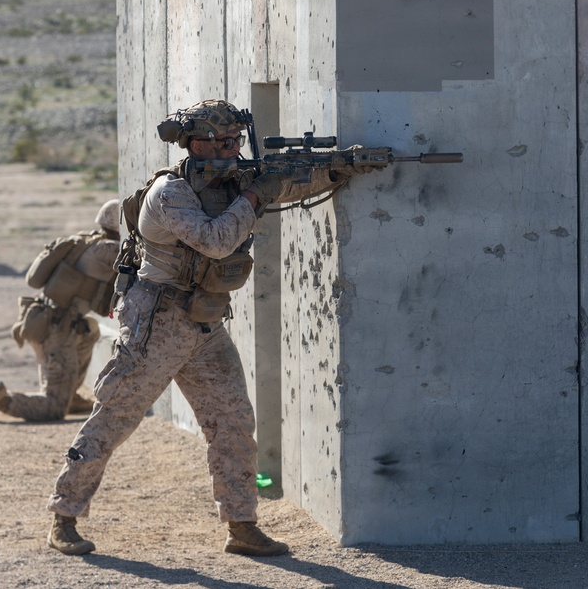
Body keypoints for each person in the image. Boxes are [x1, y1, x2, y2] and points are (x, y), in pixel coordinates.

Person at [44, 99, 369, 557]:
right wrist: (256, 195)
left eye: (237, 141)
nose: (236, 150)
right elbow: (216, 242)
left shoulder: (230, 180)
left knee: (233, 422)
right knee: (115, 417)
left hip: (205, 323)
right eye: (227, 142)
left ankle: (242, 525)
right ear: (198, 144)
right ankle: (65, 514)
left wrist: (338, 170)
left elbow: (288, 187)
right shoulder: (170, 192)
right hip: (157, 322)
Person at [0, 200, 121, 422]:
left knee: (90, 330)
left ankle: (70, 394)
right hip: (57, 330)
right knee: (53, 409)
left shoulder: (89, 240)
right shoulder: (109, 250)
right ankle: (3, 400)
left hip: (51, 322)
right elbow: (144, 264)